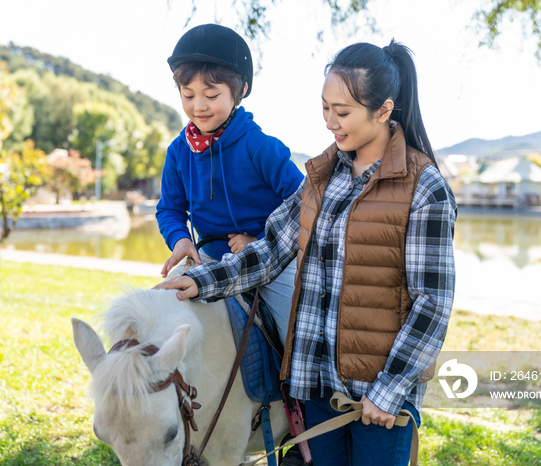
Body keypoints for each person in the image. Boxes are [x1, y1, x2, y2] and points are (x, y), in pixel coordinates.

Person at [157, 39, 457, 466]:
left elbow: (432, 304)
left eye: (344, 111)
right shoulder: (320, 176)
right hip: (317, 389)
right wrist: (201, 281)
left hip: (378, 402)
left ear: (384, 111)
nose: (331, 122)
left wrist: (389, 390)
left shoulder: (425, 189)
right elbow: (271, 251)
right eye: (325, 108)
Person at [156, 24, 304, 344]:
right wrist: (181, 240)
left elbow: (305, 202)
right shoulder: (178, 151)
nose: (199, 106)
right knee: (158, 310)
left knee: (296, 331)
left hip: (268, 265)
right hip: (209, 260)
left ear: (240, 91)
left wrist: (261, 241)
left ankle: (296, 393)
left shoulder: (259, 146)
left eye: (211, 95)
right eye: (188, 95)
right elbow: (169, 208)